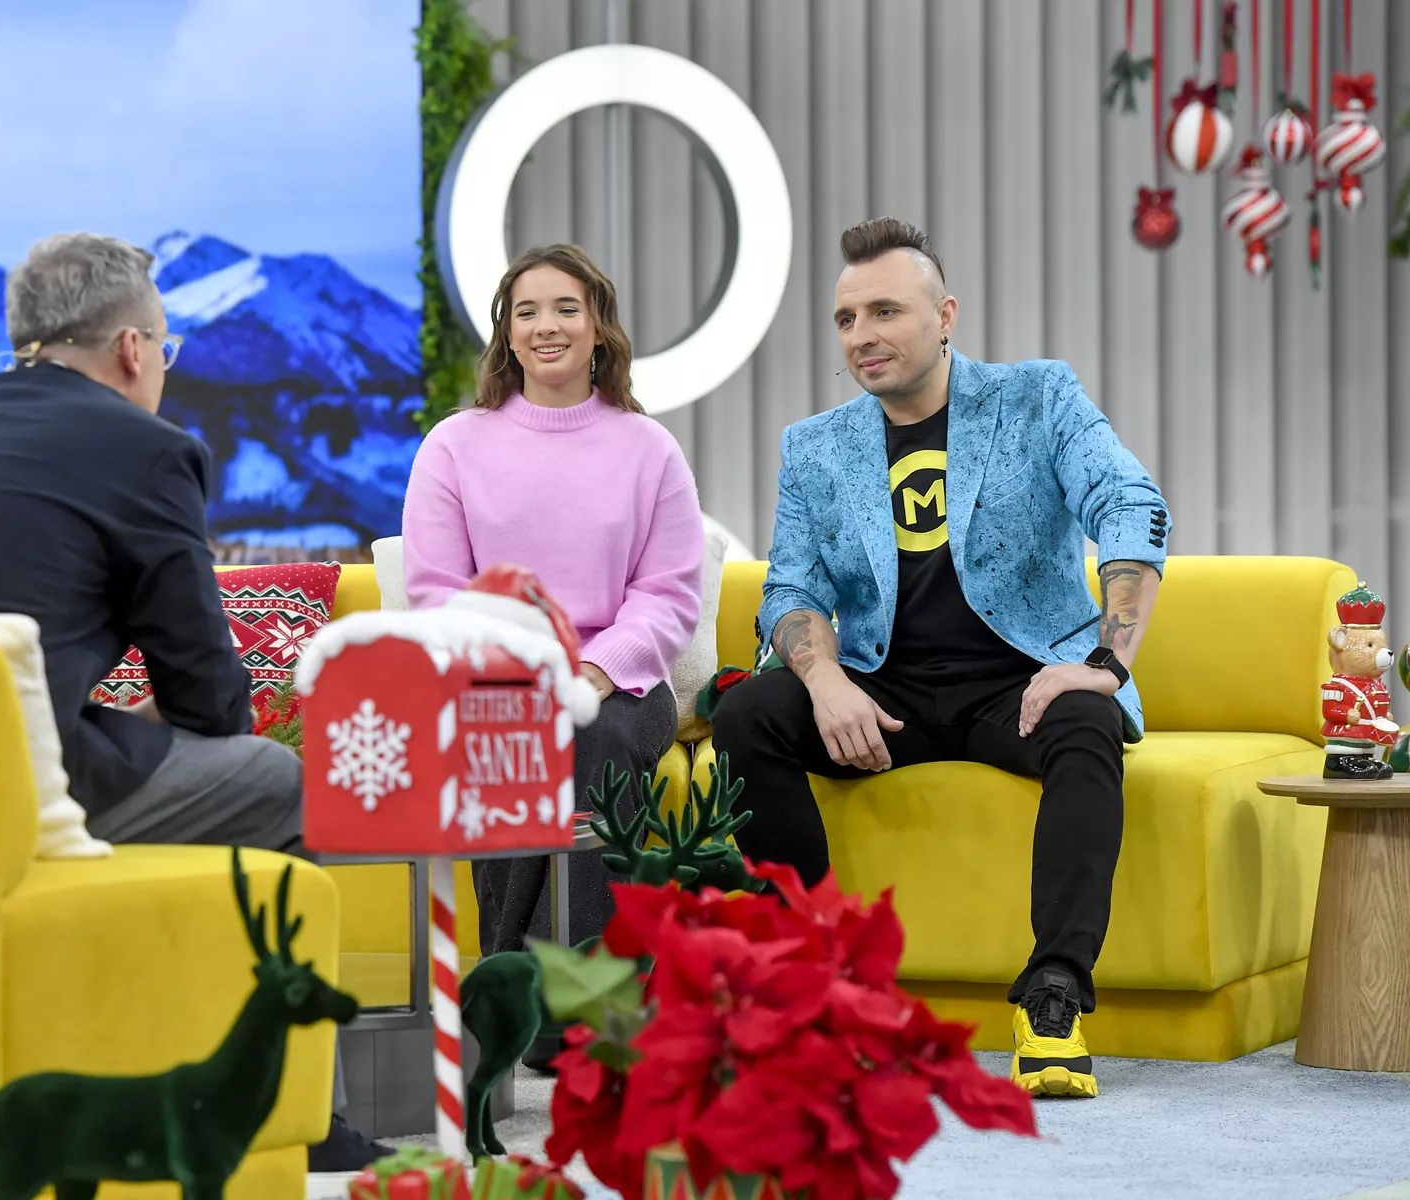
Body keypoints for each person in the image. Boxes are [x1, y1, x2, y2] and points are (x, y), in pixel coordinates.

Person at [0, 231, 389, 1169]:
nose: (163, 365)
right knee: (276, 782)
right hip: (9, 784)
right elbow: (212, 701)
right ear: (132, 348)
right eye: (166, 348)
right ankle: (295, 1122)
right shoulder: (147, 450)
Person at [714, 218, 1170, 1100]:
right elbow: (791, 587)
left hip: (1020, 681)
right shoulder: (815, 446)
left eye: (885, 311)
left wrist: (1106, 664)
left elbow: (1129, 502)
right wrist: (825, 680)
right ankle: (817, 983)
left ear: (946, 315)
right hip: (887, 690)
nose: (863, 335)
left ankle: (1054, 994)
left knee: (1088, 718)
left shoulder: (1037, 398)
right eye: (847, 319)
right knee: (746, 715)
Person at [400, 244, 703, 1067]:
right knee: (508, 738)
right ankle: (524, 995)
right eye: (526, 311)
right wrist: (522, 676)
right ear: (506, 333)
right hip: (494, 676)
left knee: (594, 736)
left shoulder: (648, 449)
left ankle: (579, 1005)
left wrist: (594, 672)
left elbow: (669, 592)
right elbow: (436, 591)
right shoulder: (454, 445)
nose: (546, 326)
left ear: (599, 326)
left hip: (618, 679)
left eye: (566, 308)